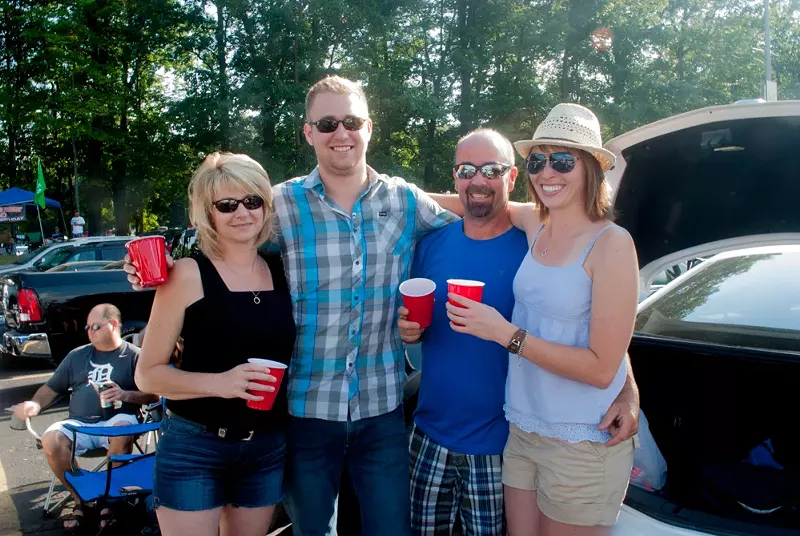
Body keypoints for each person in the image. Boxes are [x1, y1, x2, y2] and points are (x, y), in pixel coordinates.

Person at [126, 76, 456, 536]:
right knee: (311, 532)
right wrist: (150, 269)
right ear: (309, 132)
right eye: (326, 123)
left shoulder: (404, 200)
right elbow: (221, 241)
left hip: (380, 405)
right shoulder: (276, 203)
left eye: (351, 121)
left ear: (369, 127)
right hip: (303, 409)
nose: (341, 132)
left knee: (390, 529)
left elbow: (478, 215)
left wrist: (538, 212)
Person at [399, 129, 640, 536]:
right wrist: (388, 191)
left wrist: (626, 386)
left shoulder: (565, 241)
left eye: (563, 161)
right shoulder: (524, 229)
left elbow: (600, 342)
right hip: (484, 436)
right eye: (538, 161)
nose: (549, 171)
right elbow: (472, 196)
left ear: (510, 179)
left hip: (532, 439)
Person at [134, 152, 295, 536]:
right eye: (226, 205)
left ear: (265, 206)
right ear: (209, 213)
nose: (242, 213)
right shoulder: (188, 274)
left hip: (266, 446)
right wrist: (220, 383)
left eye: (252, 201)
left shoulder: (283, 269)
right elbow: (147, 375)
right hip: (196, 445)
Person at [11, 304, 157, 532]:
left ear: (114, 325)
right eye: (88, 327)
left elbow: (154, 394)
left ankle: (110, 501)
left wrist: (125, 394)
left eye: (96, 326)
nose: (90, 331)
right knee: (51, 439)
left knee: (122, 429)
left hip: (118, 419)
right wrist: (34, 405)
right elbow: (51, 388)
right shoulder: (77, 356)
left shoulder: (134, 356)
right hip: (79, 423)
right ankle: (81, 498)